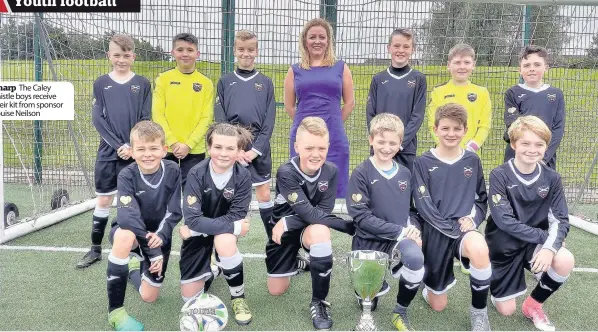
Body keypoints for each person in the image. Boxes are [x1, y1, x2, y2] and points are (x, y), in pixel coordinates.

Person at [487, 115, 574, 331]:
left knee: (564, 259)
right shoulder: (499, 175)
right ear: (514, 144)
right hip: (503, 246)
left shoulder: (552, 178)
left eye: (539, 144)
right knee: (506, 311)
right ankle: (496, 287)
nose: (532, 149)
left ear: (546, 146)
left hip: (531, 245)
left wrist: (550, 249)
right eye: (525, 143)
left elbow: (561, 219)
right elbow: (505, 222)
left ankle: (533, 305)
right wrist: (546, 239)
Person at [267, 117, 355, 330]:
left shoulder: (331, 171)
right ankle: (300, 262)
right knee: (276, 290)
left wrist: (289, 221)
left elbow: (321, 213)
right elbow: (307, 211)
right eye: (309, 148)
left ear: (328, 147)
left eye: (321, 148)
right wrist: (346, 226)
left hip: (304, 228)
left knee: (320, 232)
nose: (316, 154)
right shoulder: (286, 172)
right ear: (296, 147)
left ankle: (319, 302)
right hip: (283, 235)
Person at [413, 103, 492, 331]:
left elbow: (481, 199)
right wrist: (450, 229)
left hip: (462, 230)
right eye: (445, 128)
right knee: (438, 305)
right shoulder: (422, 163)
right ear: (435, 129)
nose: (451, 134)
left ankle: (479, 313)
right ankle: (427, 285)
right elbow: (423, 205)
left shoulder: (472, 160)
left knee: (479, 248)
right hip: (435, 232)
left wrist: (474, 220)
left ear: (465, 130)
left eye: (457, 129)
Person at [78, 34, 152, 269]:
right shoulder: (101, 83)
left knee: (132, 201)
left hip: (134, 152)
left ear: (134, 56)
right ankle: (95, 249)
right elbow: (97, 118)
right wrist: (118, 145)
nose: (121, 59)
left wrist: (132, 146)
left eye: (126, 55)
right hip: (109, 152)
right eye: (117, 55)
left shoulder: (142, 83)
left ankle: (135, 247)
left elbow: (145, 118)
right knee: (103, 199)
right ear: (109, 55)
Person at [347, 113, 424, 331]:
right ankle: (369, 294)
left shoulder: (405, 173)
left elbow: (411, 210)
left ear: (401, 144)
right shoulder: (361, 173)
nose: (386, 147)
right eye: (381, 141)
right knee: (370, 300)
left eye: (392, 143)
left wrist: (413, 230)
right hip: (368, 242)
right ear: (371, 140)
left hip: (398, 239)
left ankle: (400, 311)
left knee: (416, 260)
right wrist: (400, 231)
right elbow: (361, 218)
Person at [105, 121, 182, 331]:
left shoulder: (173, 170)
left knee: (149, 297)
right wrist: (152, 250)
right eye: (141, 149)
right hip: (134, 235)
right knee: (124, 236)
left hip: (158, 237)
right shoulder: (126, 175)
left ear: (164, 150)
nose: (147, 154)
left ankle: (132, 269)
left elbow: (174, 211)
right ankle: (116, 314)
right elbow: (127, 217)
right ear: (131, 151)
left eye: (153, 148)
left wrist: (161, 237)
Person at [178, 123, 255, 326]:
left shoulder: (244, 177)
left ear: (239, 151)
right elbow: (193, 219)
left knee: (225, 242)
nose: (223, 153)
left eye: (230, 148)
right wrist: (233, 227)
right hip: (198, 233)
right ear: (209, 148)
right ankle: (215, 268)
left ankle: (238, 297)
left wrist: (197, 227)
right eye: (218, 147)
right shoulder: (196, 173)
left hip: (210, 232)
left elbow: (236, 215)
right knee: (190, 300)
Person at [214, 30, 276, 239]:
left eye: (250, 49)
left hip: (258, 149)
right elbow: (221, 120)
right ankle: (224, 247)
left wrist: (255, 150)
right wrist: (236, 149)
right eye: (241, 49)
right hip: (231, 149)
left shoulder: (266, 83)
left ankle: (274, 244)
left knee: (265, 195)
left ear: (257, 52)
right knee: (227, 196)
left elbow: (269, 121)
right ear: (235, 51)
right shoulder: (225, 81)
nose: (246, 54)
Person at [284, 18, 355, 198]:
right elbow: (289, 106)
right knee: (303, 190)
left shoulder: (341, 67)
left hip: (334, 136)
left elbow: (349, 103)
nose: (317, 41)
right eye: (312, 37)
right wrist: (306, 127)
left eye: (322, 37)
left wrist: (334, 122)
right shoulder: (294, 70)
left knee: (334, 191)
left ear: (328, 41)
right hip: (303, 137)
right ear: (305, 41)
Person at [152, 32, 214, 189]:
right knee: (165, 189)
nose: (185, 54)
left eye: (190, 50)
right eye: (180, 50)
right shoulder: (163, 79)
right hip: (167, 146)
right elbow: (158, 114)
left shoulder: (206, 83)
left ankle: (192, 215)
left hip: (194, 148)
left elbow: (206, 118)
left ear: (197, 54)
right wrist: (172, 142)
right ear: (173, 53)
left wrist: (189, 144)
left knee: (192, 191)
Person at [366, 28, 427, 173]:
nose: (401, 50)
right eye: (397, 46)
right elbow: (370, 114)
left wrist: (400, 142)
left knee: (404, 192)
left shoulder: (419, 79)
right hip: (381, 148)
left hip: (405, 149)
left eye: (406, 46)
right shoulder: (378, 79)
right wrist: (380, 141)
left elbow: (417, 116)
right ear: (389, 48)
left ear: (413, 49)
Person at [503, 45, 565, 170]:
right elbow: (513, 124)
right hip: (518, 156)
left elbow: (558, 128)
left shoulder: (556, 94)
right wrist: (526, 153)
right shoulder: (512, 93)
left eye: (537, 65)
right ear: (519, 70)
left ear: (546, 68)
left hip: (544, 159)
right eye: (527, 65)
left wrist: (544, 157)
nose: (532, 69)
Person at [426, 43, 492, 154]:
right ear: (449, 65)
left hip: (470, 153)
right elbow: (433, 123)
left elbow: (485, 125)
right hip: (444, 152)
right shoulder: (438, 92)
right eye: (457, 62)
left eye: (467, 62)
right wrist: (444, 144)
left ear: (473, 65)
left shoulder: (482, 93)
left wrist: (473, 146)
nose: (462, 67)